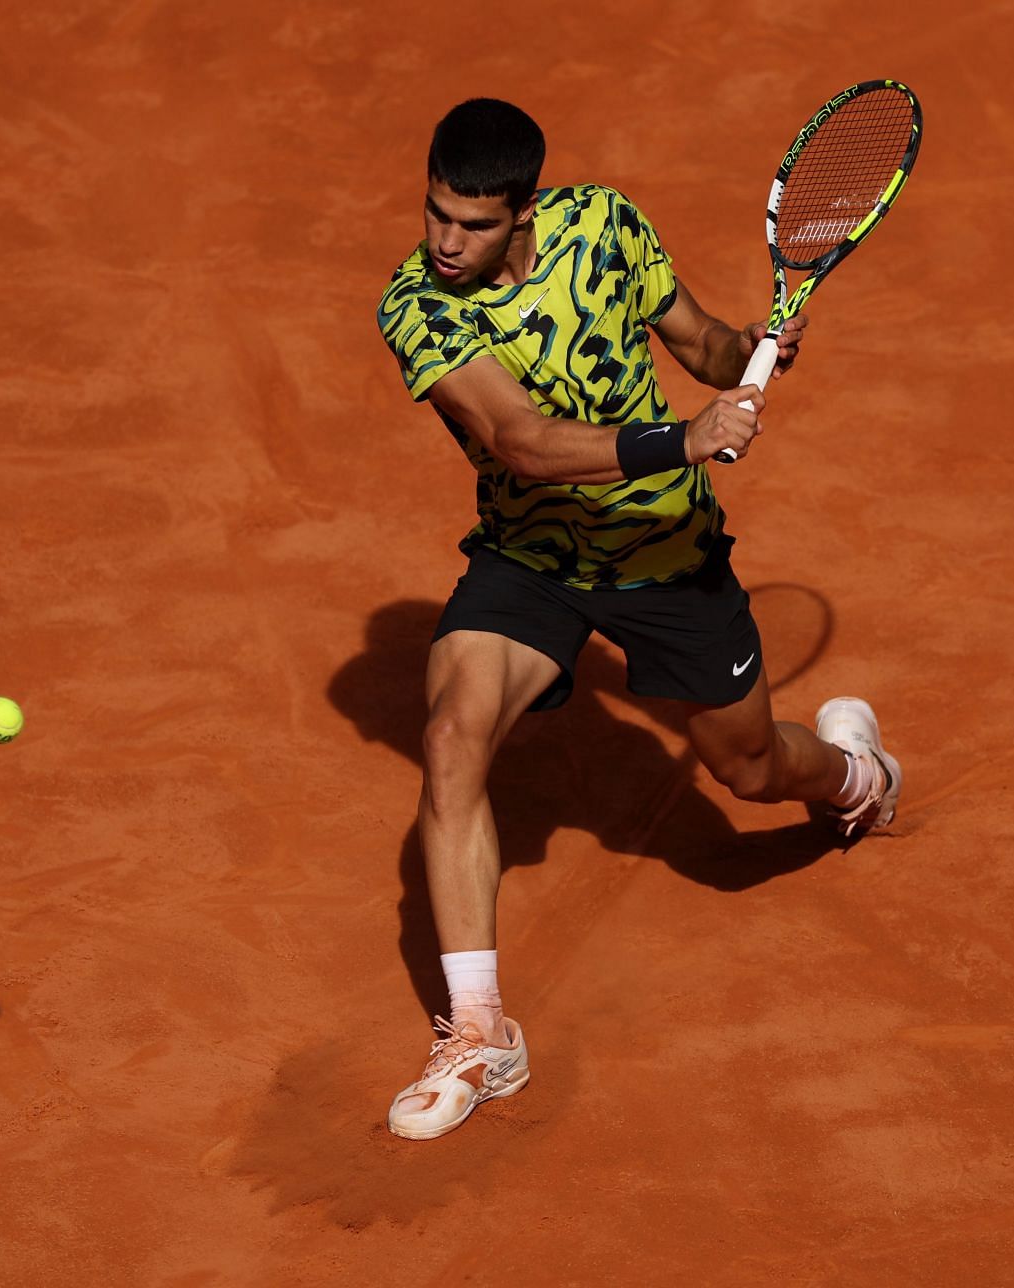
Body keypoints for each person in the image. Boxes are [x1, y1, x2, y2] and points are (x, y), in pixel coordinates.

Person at [373, 98, 902, 1142]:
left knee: (749, 773)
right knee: (449, 739)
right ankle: (482, 1035)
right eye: (435, 214)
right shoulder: (417, 307)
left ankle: (856, 777)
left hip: (667, 562)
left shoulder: (607, 228)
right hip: (532, 558)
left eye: (472, 225)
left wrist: (753, 350)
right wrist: (684, 439)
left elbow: (701, 344)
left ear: (525, 213)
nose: (444, 241)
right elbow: (521, 443)